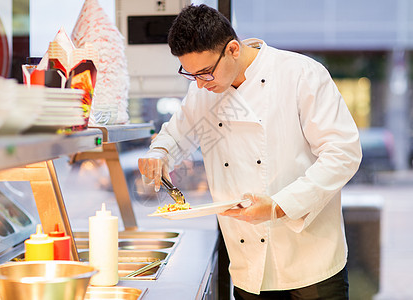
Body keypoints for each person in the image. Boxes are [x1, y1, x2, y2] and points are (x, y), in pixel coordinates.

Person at [138, 4, 362, 299]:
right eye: (190, 74)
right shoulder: (205, 90)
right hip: (248, 267)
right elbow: (178, 134)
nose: (201, 85)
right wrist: (159, 154)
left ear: (232, 49)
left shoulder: (300, 74)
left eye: (205, 73)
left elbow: (343, 153)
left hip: (311, 262)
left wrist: (278, 206)